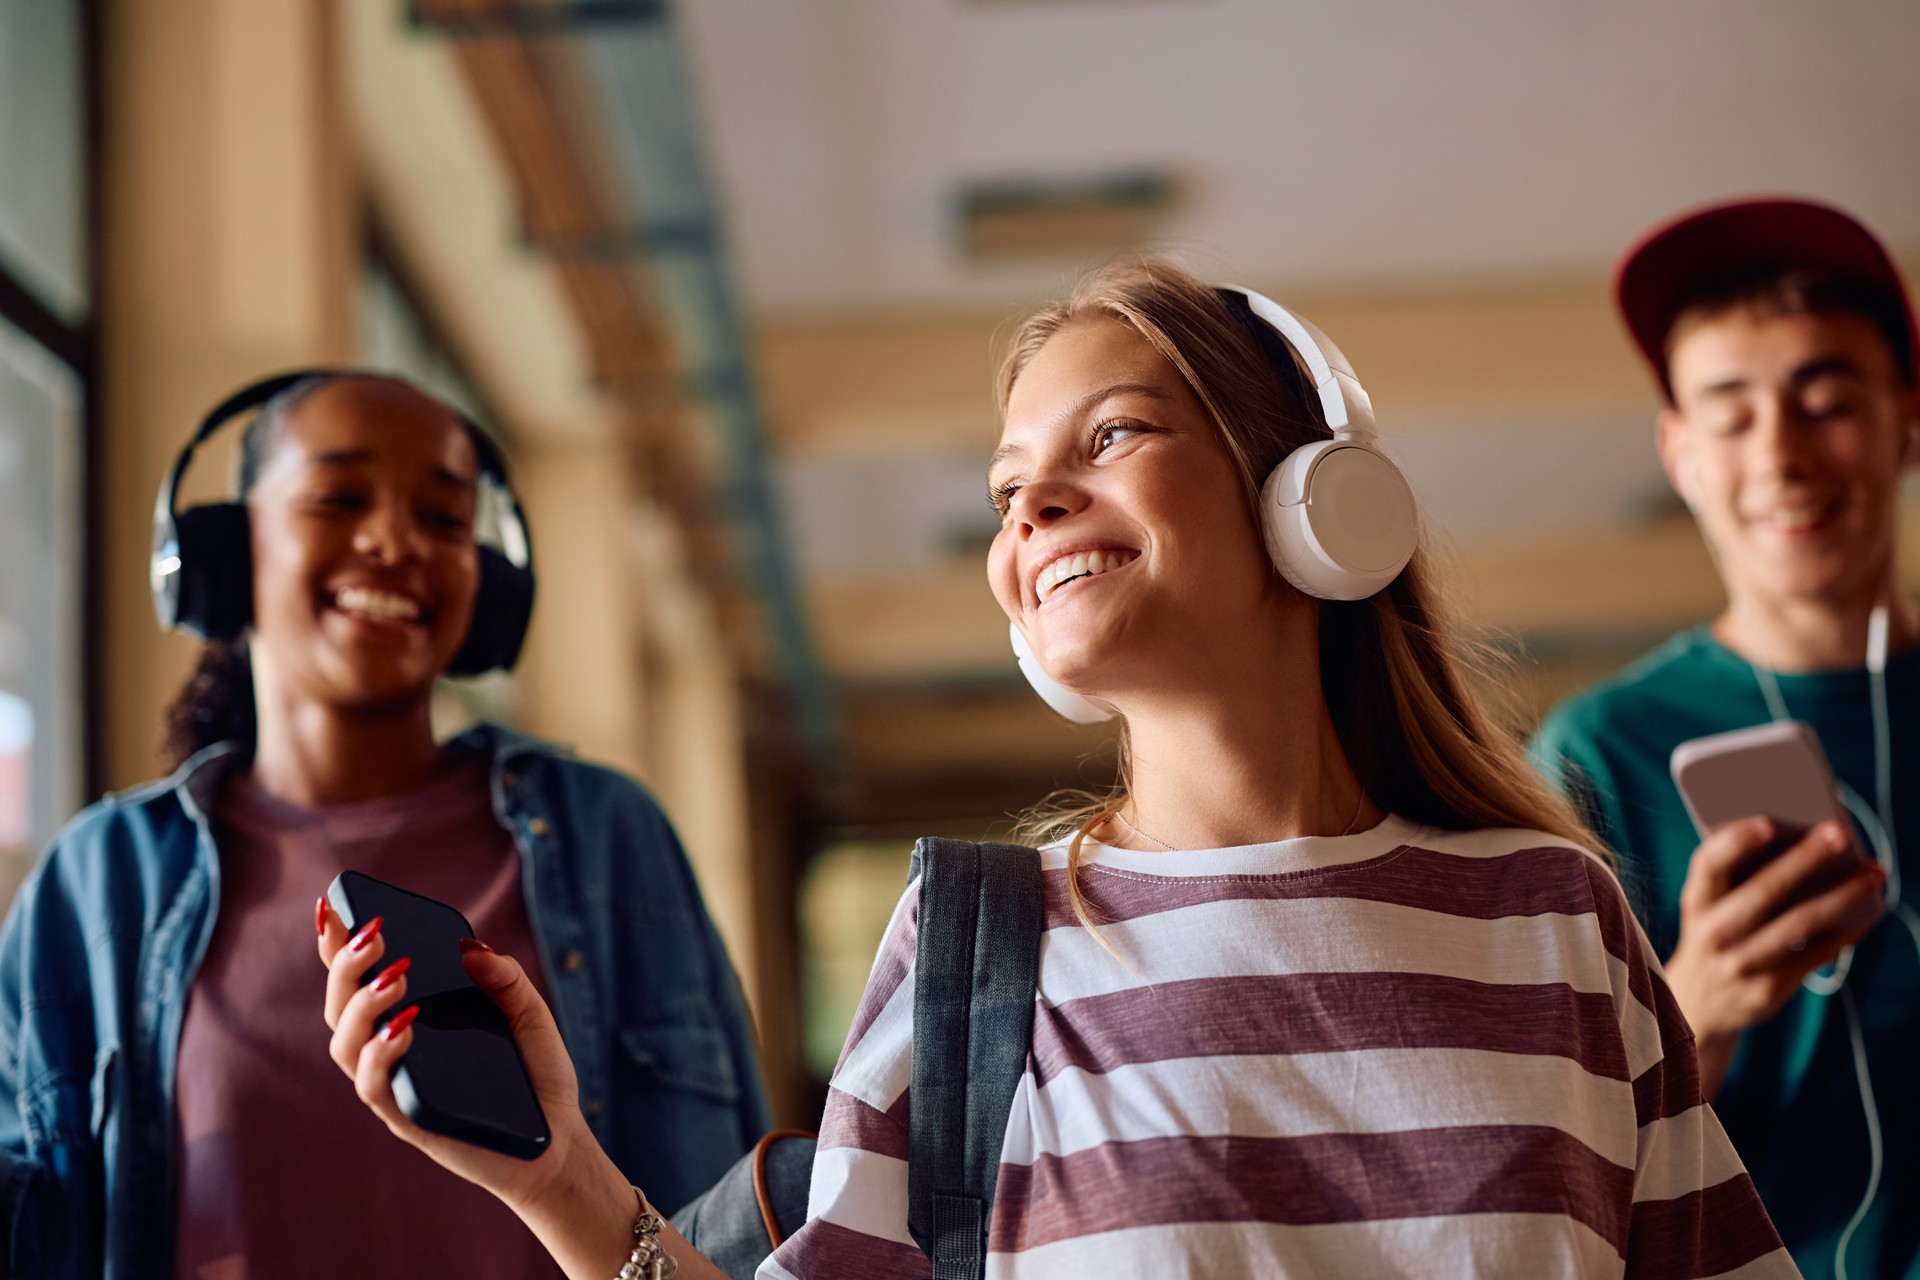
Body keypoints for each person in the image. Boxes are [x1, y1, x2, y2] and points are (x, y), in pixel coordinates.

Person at [323, 260, 1793, 1278]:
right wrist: (557, 1177)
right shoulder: (979, 948)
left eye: (1111, 435)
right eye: (1008, 487)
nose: (1034, 504)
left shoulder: (1554, 921)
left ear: (1311, 502)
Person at [0, 372, 769, 1278]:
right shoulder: (98, 882)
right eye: (338, 496)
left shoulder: (608, 835)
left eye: (445, 519)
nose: (396, 540)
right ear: (221, 549)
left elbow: (738, 1225)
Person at [1531, 198, 1920, 1280]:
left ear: (1907, 412)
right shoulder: (1602, 748)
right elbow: (1540, 1140)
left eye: (1828, 398)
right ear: (1681, 452)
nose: (1783, 454)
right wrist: (1698, 1000)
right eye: (1731, 411)